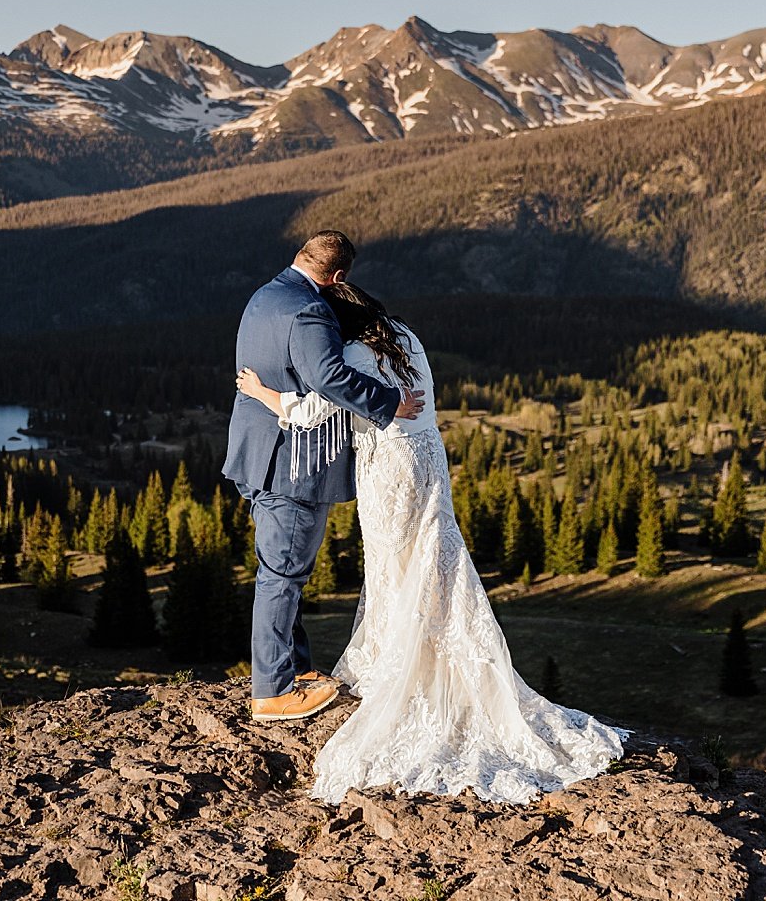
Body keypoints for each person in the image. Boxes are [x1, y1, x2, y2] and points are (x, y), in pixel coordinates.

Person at [235, 282, 627, 803]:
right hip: (427, 458)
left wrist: (261, 393)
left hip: (388, 468)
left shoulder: (352, 353)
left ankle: (407, 665)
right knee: (432, 557)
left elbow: (314, 411)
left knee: (394, 565)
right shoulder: (406, 339)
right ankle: (431, 652)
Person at [221, 231, 425, 722]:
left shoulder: (265, 295)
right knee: (283, 575)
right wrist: (390, 402)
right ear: (337, 278)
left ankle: (296, 669)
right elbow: (328, 377)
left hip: (255, 454)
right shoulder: (311, 311)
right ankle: (272, 692)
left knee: (278, 567)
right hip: (294, 464)